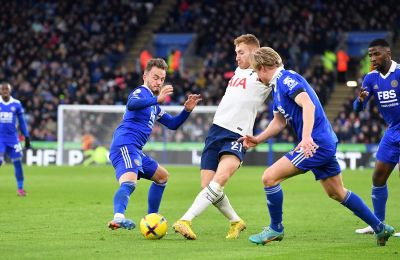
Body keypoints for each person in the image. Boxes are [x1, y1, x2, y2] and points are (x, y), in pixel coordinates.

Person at [239, 47, 394, 246]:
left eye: (255, 71)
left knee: (269, 178)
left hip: (316, 143)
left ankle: (275, 229)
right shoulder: (277, 87)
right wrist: (259, 139)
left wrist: (305, 138)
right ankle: (381, 228)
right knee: (337, 192)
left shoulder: (287, 80)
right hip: (323, 142)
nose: (256, 77)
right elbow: (279, 121)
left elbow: (308, 105)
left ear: (262, 67)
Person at [172, 34, 272, 240]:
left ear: (254, 52)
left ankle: (185, 219)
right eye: (236, 53)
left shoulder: (264, 74)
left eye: (241, 52)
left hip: (237, 134)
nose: (237, 57)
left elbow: (281, 76)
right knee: (207, 185)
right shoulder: (238, 70)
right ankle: (236, 221)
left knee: (221, 179)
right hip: (216, 130)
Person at [107, 58, 201, 230]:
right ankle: (118, 218)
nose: (159, 82)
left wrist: (186, 110)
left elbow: (173, 124)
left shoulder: (154, 105)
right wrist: (156, 99)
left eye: (162, 79)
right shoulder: (141, 93)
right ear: (145, 76)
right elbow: (132, 104)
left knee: (162, 177)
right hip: (124, 145)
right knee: (129, 183)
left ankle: (152, 219)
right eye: (155, 77)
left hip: (135, 149)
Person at [353, 39, 400, 237]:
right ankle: (378, 224)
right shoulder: (370, 78)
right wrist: (360, 101)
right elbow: (358, 109)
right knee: (378, 176)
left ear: (388, 53)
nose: (372, 58)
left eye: (376, 54)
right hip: (392, 131)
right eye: (370, 55)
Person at [0, 82, 31, 196]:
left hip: (13, 139)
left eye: (6, 89)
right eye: (2, 89)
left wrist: (26, 137)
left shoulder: (17, 104)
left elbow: (22, 122)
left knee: (18, 163)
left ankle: (20, 189)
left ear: (10, 90)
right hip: (0, 138)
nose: (4, 91)